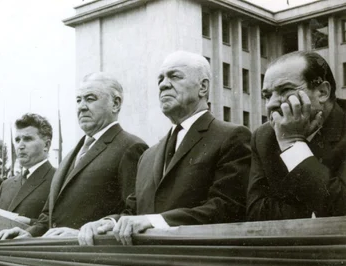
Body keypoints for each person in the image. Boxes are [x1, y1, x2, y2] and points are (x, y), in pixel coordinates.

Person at [79, 51, 251, 246]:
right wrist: (107, 223)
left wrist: (154, 221)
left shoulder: (231, 137)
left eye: (174, 76)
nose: (163, 84)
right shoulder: (148, 155)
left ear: (203, 87)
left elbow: (227, 208)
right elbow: (133, 213)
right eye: (160, 79)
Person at [0, 72, 148, 240]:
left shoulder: (130, 147)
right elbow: (48, 217)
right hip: (61, 259)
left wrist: (83, 233)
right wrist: (29, 233)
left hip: (92, 259)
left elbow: (136, 213)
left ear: (116, 104)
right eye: (78, 100)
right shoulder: (71, 156)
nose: (81, 107)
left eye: (90, 99)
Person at [248, 51, 346, 220]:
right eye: (267, 96)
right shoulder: (263, 136)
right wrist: (314, 212)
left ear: (322, 92)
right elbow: (257, 213)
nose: (271, 104)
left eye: (285, 90)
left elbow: (341, 208)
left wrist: (292, 144)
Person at [0, 113, 56, 222]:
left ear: (46, 145)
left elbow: (60, 224)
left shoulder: (58, 179)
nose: (20, 146)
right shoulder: (5, 185)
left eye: (27, 139)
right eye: (17, 140)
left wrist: (29, 222)